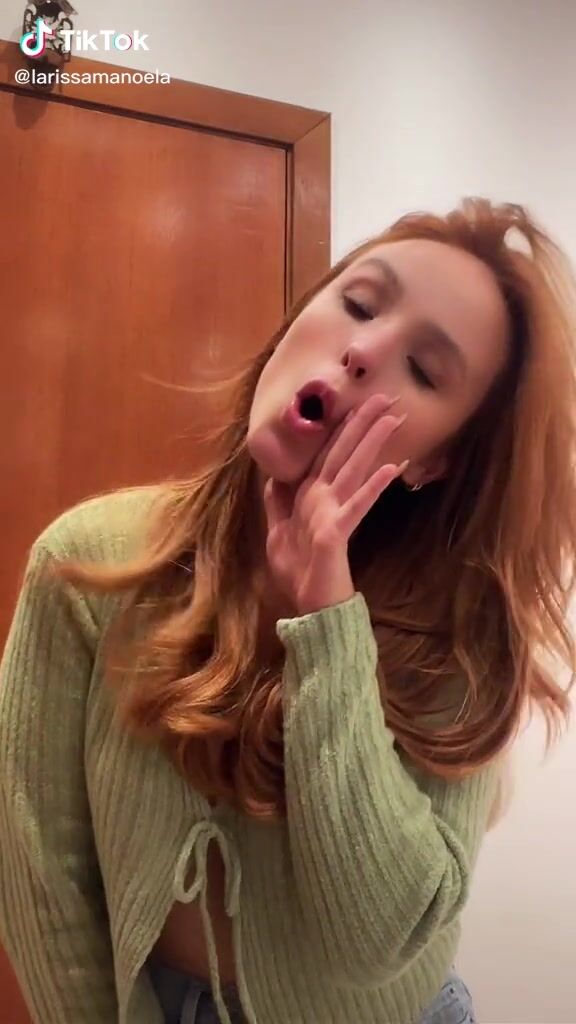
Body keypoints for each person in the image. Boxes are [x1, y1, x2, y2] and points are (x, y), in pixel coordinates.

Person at [1, 197, 575, 1024]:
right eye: (360, 303)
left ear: (436, 460)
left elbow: (376, 942)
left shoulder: (463, 633)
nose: (363, 351)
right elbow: (39, 872)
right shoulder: (90, 563)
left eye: (424, 371)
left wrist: (328, 621)